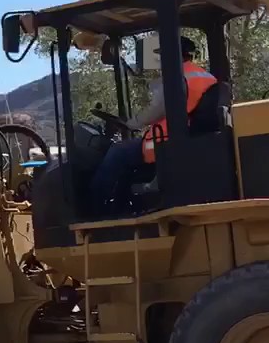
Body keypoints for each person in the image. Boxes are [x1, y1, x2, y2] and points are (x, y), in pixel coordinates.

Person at [90, 36, 216, 214]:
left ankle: (96, 208)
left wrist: (130, 124)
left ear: (175, 54)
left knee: (117, 152)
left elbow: (156, 111)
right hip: (189, 137)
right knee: (125, 157)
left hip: (167, 142)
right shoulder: (204, 75)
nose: (160, 60)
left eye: (163, 54)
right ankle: (123, 203)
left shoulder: (177, 78)